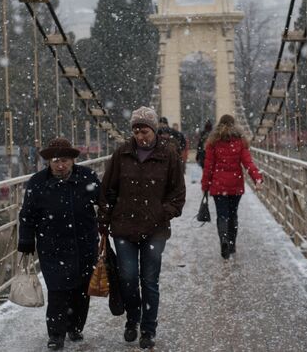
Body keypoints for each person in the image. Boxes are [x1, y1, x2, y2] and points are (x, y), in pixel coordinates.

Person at [98, 106, 186, 349]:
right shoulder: (121, 154)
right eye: (136, 131)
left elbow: (177, 194)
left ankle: (148, 329)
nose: (140, 136)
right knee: (127, 278)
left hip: (155, 230)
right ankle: (132, 320)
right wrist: (104, 220)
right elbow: (108, 189)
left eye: (144, 130)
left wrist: (161, 213)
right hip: (123, 227)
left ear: (154, 130)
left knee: (149, 280)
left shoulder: (169, 155)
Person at [17, 138, 100, 350]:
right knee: (57, 290)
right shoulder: (37, 182)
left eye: (64, 160)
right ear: (48, 162)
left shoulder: (87, 177)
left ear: (72, 161)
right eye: (55, 161)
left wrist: (109, 228)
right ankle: (56, 335)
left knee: (81, 290)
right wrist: (26, 241)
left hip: (84, 243)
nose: (60, 165)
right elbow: (27, 214)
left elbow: (104, 203)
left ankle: (75, 327)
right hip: (52, 246)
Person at [201, 114, 263, 260]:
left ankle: (223, 240)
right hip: (235, 185)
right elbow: (248, 163)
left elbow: (208, 167)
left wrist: (205, 185)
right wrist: (257, 179)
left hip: (218, 185)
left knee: (222, 215)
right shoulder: (240, 141)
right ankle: (231, 243)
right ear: (234, 125)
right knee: (233, 215)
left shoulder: (213, 142)